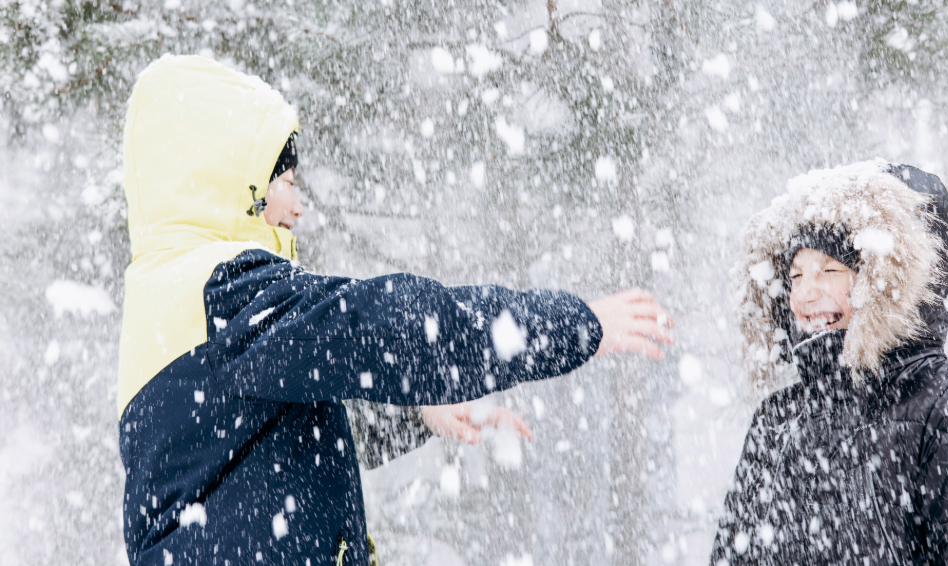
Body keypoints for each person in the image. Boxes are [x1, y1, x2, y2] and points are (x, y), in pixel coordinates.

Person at [117, 55, 673, 566]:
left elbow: (260, 450)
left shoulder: (182, 300)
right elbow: (386, 325)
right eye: (285, 180)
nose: (299, 204)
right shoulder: (224, 289)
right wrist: (568, 327)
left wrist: (416, 414)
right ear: (231, 188)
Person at [710, 162, 948, 565]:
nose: (804, 294)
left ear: (882, 281)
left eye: (829, 270)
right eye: (796, 275)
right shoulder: (778, 422)